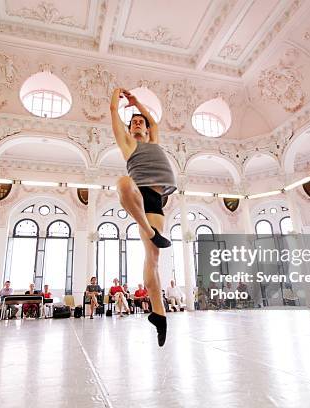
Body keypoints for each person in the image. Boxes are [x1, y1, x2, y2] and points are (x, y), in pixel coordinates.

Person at [110, 87, 176, 346]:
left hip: (156, 202)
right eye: (134, 122)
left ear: (147, 129)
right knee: (124, 183)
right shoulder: (128, 143)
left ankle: (159, 314)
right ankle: (149, 231)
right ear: (130, 130)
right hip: (138, 195)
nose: (138, 124)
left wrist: (137, 103)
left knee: (153, 260)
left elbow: (155, 121)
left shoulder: (154, 141)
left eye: (141, 122)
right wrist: (116, 96)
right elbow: (114, 112)